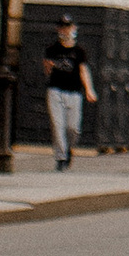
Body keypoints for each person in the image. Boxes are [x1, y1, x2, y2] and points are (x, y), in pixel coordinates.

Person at [42, 19, 94, 170]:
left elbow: (83, 71)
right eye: (63, 27)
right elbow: (46, 70)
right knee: (57, 125)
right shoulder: (52, 49)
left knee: (73, 128)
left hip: (74, 92)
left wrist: (89, 89)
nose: (65, 31)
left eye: (68, 27)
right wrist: (49, 66)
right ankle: (61, 157)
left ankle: (68, 148)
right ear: (59, 29)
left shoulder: (79, 51)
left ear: (73, 28)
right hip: (55, 90)